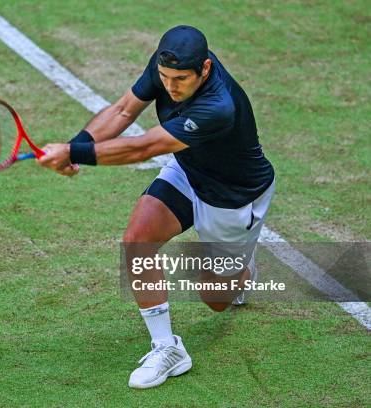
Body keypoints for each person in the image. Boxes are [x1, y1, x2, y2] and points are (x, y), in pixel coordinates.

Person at [37, 25, 275, 389]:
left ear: (205, 69)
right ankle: (167, 348)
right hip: (188, 167)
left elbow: (145, 147)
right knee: (137, 240)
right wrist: (76, 146)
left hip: (232, 196)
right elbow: (121, 111)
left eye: (180, 79)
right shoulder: (167, 66)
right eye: (165, 77)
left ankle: (241, 269)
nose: (171, 87)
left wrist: (73, 153)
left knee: (216, 299)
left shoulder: (218, 106)